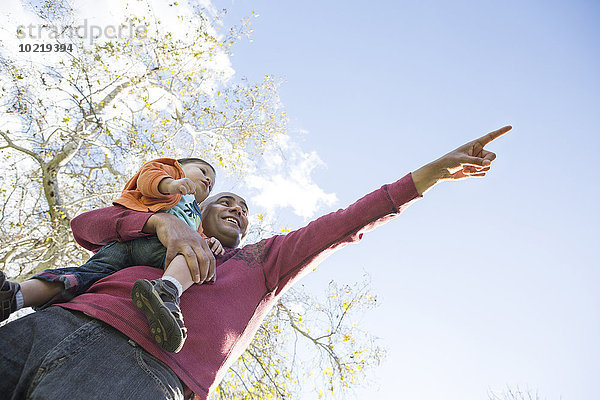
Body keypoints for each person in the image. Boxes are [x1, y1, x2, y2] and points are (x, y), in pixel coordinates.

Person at [0, 126, 512, 400]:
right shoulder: (162, 230)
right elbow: (88, 226)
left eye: (244, 211)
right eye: (224, 200)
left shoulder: (261, 263)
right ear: (200, 209)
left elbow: (347, 220)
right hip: (51, 326)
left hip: (138, 373)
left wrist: (431, 174)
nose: (236, 209)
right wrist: (160, 223)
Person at [0, 157, 223, 353]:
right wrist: (171, 183)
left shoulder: (196, 217)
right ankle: (15, 296)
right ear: (180, 166)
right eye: (203, 171)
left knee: (192, 251)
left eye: (211, 184)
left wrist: (209, 242)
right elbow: (148, 179)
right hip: (128, 239)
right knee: (83, 275)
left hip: (162, 249)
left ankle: (165, 290)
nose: (207, 181)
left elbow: (198, 239)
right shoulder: (170, 172)